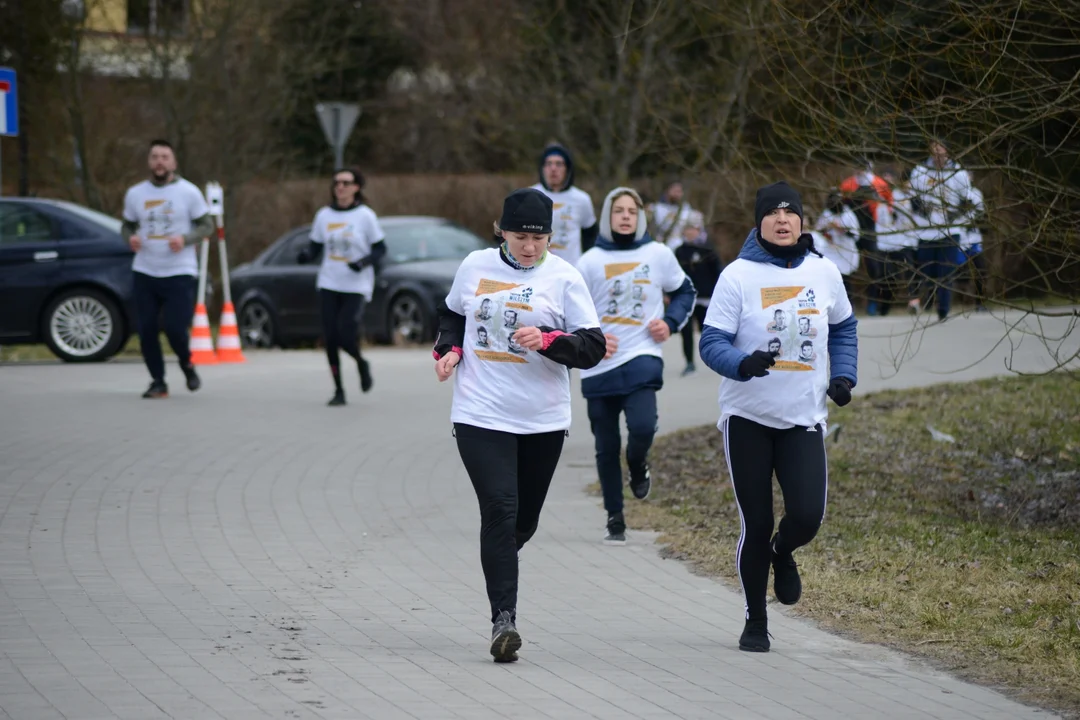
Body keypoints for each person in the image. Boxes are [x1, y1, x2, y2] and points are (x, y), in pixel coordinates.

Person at [433, 188, 605, 663]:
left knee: (521, 523)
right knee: (500, 510)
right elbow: (451, 312)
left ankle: (503, 557)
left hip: (542, 419)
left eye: (539, 237)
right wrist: (450, 349)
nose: (530, 246)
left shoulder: (565, 278)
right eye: (520, 236)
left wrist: (549, 340)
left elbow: (591, 346)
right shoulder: (474, 266)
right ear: (501, 232)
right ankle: (503, 621)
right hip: (479, 411)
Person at [698, 181, 859, 653]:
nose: (783, 220)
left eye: (791, 214)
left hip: (803, 418)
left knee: (807, 515)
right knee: (757, 520)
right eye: (773, 214)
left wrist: (844, 377)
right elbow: (712, 343)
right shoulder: (738, 276)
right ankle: (755, 619)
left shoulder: (824, 272)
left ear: (802, 222)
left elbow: (844, 326)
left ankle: (783, 553)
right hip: (747, 417)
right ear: (760, 221)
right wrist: (741, 364)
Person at [577, 187, 697, 544]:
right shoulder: (589, 261)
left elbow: (685, 291)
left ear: (641, 216)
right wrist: (592, 339)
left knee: (642, 427)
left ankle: (639, 461)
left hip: (643, 355)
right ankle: (615, 517)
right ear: (607, 218)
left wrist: (671, 322)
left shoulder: (658, 254)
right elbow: (570, 310)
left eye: (632, 210)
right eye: (619, 211)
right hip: (600, 363)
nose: (626, 216)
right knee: (605, 444)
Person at [121, 139, 215, 399]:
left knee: (174, 328)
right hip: (145, 270)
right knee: (147, 329)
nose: (159, 161)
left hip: (180, 270)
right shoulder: (135, 194)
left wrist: (185, 239)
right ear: (149, 162)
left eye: (164, 157)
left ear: (173, 162)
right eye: (154, 157)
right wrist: (130, 238)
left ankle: (187, 363)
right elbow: (127, 226)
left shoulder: (188, 192)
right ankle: (158, 381)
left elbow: (206, 226)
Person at [298, 167, 386, 406]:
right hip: (329, 282)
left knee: (346, 334)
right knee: (330, 337)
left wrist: (363, 262)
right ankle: (338, 390)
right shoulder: (324, 215)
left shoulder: (365, 215)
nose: (340, 187)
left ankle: (360, 362)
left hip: (356, 285)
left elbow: (380, 249)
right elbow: (315, 246)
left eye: (346, 183)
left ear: (356, 187)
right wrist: (306, 255)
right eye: (337, 182)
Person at [908, 139, 974, 321]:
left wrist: (954, 214)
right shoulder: (920, 172)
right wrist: (924, 210)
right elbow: (913, 199)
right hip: (926, 230)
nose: (938, 155)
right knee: (926, 271)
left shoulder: (957, 173)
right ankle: (923, 301)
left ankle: (943, 309)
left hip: (950, 231)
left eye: (941, 151)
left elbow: (967, 200)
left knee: (946, 272)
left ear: (947, 152)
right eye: (934, 151)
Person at [531, 143, 598, 266]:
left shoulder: (582, 199)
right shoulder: (530, 196)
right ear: (542, 168)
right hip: (537, 268)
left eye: (559, 164)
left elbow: (590, 237)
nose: (553, 169)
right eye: (549, 164)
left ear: (568, 169)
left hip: (572, 268)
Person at [840, 160, 893, 315]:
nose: (861, 171)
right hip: (853, 229)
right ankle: (847, 304)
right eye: (858, 167)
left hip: (871, 230)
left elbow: (889, 204)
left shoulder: (880, 184)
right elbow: (840, 205)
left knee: (874, 268)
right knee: (847, 266)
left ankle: (873, 302)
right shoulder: (847, 184)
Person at [674, 211, 722, 376]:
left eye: (693, 229)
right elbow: (673, 274)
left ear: (699, 230)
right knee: (686, 331)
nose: (690, 232)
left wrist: (718, 293)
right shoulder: (679, 251)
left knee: (706, 331)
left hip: (705, 297)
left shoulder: (708, 251)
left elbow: (718, 273)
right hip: (686, 298)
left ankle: (714, 359)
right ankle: (689, 363)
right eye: (687, 229)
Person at [875, 169, 922, 315]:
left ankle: (914, 301)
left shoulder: (915, 196)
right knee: (889, 276)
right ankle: (883, 307)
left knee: (911, 272)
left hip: (909, 241)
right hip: (892, 242)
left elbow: (920, 211)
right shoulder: (892, 196)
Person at [812, 190, 861, 296]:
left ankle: (848, 303)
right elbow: (818, 231)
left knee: (845, 278)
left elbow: (855, 235)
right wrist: (828, 229)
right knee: (833, 275)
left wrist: (840, 229)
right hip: (831, 250)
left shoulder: (848, 215)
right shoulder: (826, 214)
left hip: (846, 250)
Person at [955, 184, 988, 311]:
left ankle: (980, 302)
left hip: (974, 238)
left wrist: (976, 221)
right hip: (959, 238)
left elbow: (981, 214)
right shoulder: (953, 191)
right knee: (959, 272)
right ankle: (959, 302)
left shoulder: (976, 193)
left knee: (980, 270)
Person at [648, 179, 696, 250]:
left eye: (679, 191)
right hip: (662, 244)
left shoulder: (686, 209)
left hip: (681, 245)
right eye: (674, 191)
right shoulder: (656, 208)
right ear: (667, 191)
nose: (677, 194)